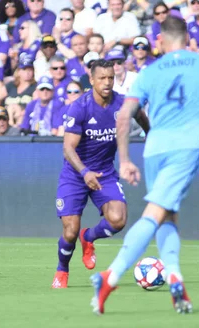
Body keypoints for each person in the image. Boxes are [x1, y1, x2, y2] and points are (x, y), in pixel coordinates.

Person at [89, 16, 199, 314]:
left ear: (160, 41)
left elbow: (124, 116)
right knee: (155, 213)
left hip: (154, 151)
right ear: (188, 40)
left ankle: (175, 277)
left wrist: (124, 160)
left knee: (167, 216)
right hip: (185, 149)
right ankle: (109, 276)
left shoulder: (150, 72)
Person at [52, 59, 149, 289]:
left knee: (118, 219)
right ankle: (62, 269)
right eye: (102, 78)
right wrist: (85, 172)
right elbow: (67, 149)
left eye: (110, 78)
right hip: (76, 175)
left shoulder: (123, 104)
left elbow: (141, 116)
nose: (107, 82)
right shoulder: (80, 107)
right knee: (70, 231)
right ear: (92, 80)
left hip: (105, 172)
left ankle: (89, 237)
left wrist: (151, 135)